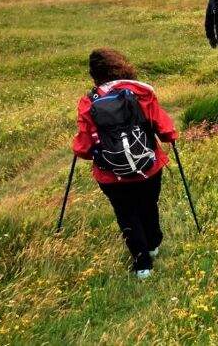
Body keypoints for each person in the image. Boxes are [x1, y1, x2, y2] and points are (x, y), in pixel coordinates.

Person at [73, 48, 178, 279]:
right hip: (148, 167)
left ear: (94, 75)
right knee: (148, 204)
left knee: (126, 214)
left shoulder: (88, 103)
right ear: (122, 66)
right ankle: (153, 243)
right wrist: (170, 137)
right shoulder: (142, 92)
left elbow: (83, 148)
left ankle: (142, 264)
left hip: (111, 175)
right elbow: (165, 130)